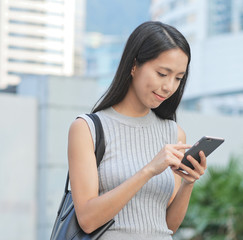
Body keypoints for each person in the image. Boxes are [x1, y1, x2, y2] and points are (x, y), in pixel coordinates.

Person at [67, 21, 206, 240]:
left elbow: (168, 225)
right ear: (134, 66)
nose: (169, 86)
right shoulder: (88, 129)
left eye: (178, 78)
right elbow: (87, 219)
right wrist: (149, 170)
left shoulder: (174, 134)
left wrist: (188, 182)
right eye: (162, 74)